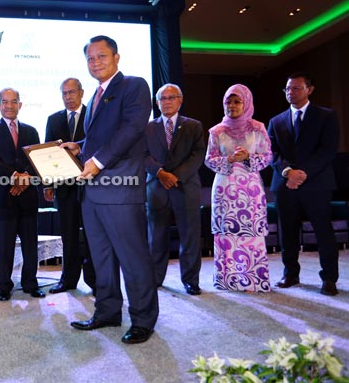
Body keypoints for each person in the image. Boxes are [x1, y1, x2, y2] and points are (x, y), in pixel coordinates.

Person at [63, 35, 158, 344]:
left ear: (117, 57)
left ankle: (143, 319)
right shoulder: (94, 94)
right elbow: (101, 136)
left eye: (102, 56)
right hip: (91, 191)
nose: (96, 62)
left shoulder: (134, 85)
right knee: (101, 258)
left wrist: (98, 161)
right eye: (90, 58)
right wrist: (77, 148)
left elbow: (131, 129)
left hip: (119, 188)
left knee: (132, 257)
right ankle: (107, 312)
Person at [267, 72, 340, 296]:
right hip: (285, 184)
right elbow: (271, 153)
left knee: (323, 231)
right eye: (288, 89)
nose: (291, 92)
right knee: (287, 232)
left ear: (309, 89)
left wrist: (303, 173)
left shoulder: (326, 116)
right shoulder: (276, 121)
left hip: (317, 184)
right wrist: (289, 172)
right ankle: (290, 274)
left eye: (296, 88)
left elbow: (328, 150)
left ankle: (329, 278)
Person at [205, 84, 272, 292]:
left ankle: (253, 281)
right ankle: (228, 280)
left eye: (237, 101)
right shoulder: (216, 131)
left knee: (251, 234)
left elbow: (268, 156)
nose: (232, 105)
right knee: (226, 234)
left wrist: (248, 157)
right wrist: (229, 159)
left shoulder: (258, 128)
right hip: (225, 187)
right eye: (228, 101)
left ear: (246, 103)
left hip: (250, 189)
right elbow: (209, 159)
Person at [0, 88, 45, 301]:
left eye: (13, 101)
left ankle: (30, 283)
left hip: (27, 196)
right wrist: (15, 176)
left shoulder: (31, 131)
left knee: (30, 243)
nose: (9, 105)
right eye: (4, 102)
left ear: (20, 105)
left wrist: (25, 179)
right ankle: (4, 286)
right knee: (3, 245)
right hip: (2, 196)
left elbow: (37, 159)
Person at [145, 83, 205, 295]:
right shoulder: (148, 127)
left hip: (185, 187)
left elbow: (198, 155)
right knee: (156, 237)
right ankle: (155, 278)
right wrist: (161, 173)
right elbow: (142, 156)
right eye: (163, 98)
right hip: (156, 187)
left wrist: (175, 176)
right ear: (157, 102)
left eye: (172, 97)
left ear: (180, 100)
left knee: (189, 236)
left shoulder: (194, 126)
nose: (167, 102)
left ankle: (190, 281)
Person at [43, 78, 96, 295]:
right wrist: (47, 184)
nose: (68, 97)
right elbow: (47, 155)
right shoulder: (53, 119)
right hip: (64, 188)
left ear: (81, 93)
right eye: (64, 93)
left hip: (91, 186)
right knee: (69, 236)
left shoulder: (93, 116)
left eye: (71, 92)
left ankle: (95, 281)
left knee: (93, 235)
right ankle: (68, 279)